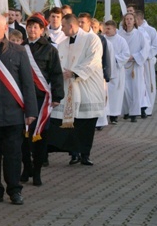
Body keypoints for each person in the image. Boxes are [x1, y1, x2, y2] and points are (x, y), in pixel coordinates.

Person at [0, 14, 37, 205]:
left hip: (13, 113)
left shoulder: (19, 51)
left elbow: (27, 83)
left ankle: (14, 190)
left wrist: (31, 111)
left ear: (5, 28)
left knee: (13, 154)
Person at [51, 14, 103, 166]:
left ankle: (85, 154)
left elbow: (93, 60)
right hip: (69, 88)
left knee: (86, 123)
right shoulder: (62, 43)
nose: (62, 29)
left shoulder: (91, 39)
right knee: (69, 123)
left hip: (87, 87)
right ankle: (74, 154)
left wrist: (74, 73)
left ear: (72, 26)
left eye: (64, 26)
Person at [23, 13, 64, 185]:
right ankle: (26, 168)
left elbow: (56, 74)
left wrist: (57, 95)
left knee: (40, 135)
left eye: (35, 27)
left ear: (42, 30)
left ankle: (37, 170)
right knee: (23, 137)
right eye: (30, 26)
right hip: (23, 99)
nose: (32, 30)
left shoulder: (50, 49)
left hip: (41, 98)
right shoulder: (19, 47)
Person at [118, 12, 150, 123]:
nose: (129, 21)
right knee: (125, 90)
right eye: (127, 19)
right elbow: (117, 49)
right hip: (124, 66)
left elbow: (145, 49)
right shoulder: (121, 35)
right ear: (124, 21)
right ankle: (126, 111)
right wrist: (124, 57)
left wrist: (134, 56)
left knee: (136, 89)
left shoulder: (139, 34)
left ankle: (134, 113)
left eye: (131, 19)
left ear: (134, 20)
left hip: (135, 66)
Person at [103, 20, 130, 125]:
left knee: (115, 95)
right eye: (105, 28)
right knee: (105, 94)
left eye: (109, 29)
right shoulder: (102, 40)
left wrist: (113, 59)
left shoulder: (121, 40)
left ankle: (114, 115)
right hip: (105, 71)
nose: (106, 31)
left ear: (114, 29)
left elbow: (126, 54)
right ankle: (105, 114)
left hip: (117, 71)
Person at [135, 10, 157, 117]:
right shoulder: (133, 30)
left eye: (135, 19)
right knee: (138, 84)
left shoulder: (150, 30)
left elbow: (156, 45)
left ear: (140, 19)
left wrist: (145, 55)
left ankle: (148, 108)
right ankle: (137, 107)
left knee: (149, 84)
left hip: (147, 61)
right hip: (136, 61)